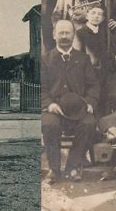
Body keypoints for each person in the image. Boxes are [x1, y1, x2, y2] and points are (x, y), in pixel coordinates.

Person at [42, 20, 100, 183]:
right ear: (54, 35)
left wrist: (89, 102)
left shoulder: (83, 58)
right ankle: (54, 170)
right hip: (55, 110)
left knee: (89, 123)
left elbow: (93, 85)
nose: (65, 36)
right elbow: (42, 88)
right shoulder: (45, 60)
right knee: (49, 124)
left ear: (73, 35)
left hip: (78, 110)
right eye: (61, 33)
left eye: (68, 33)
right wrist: (49, 104)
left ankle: (74, 166)